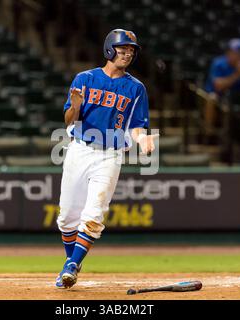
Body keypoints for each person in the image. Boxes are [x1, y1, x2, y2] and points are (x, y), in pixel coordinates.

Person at [55, 29, 158, 289]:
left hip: (110, 155)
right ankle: (73, 264)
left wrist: (142, 138)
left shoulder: (136, 88)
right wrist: (76, 105)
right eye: (123, 48)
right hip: (79, 149)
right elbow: (69, 119)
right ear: (110, 49)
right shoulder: (85, 78)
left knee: (94, 214)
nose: (128, 53)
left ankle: (71, 265)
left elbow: (136, 125)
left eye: (132, 50)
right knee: (67, 218)